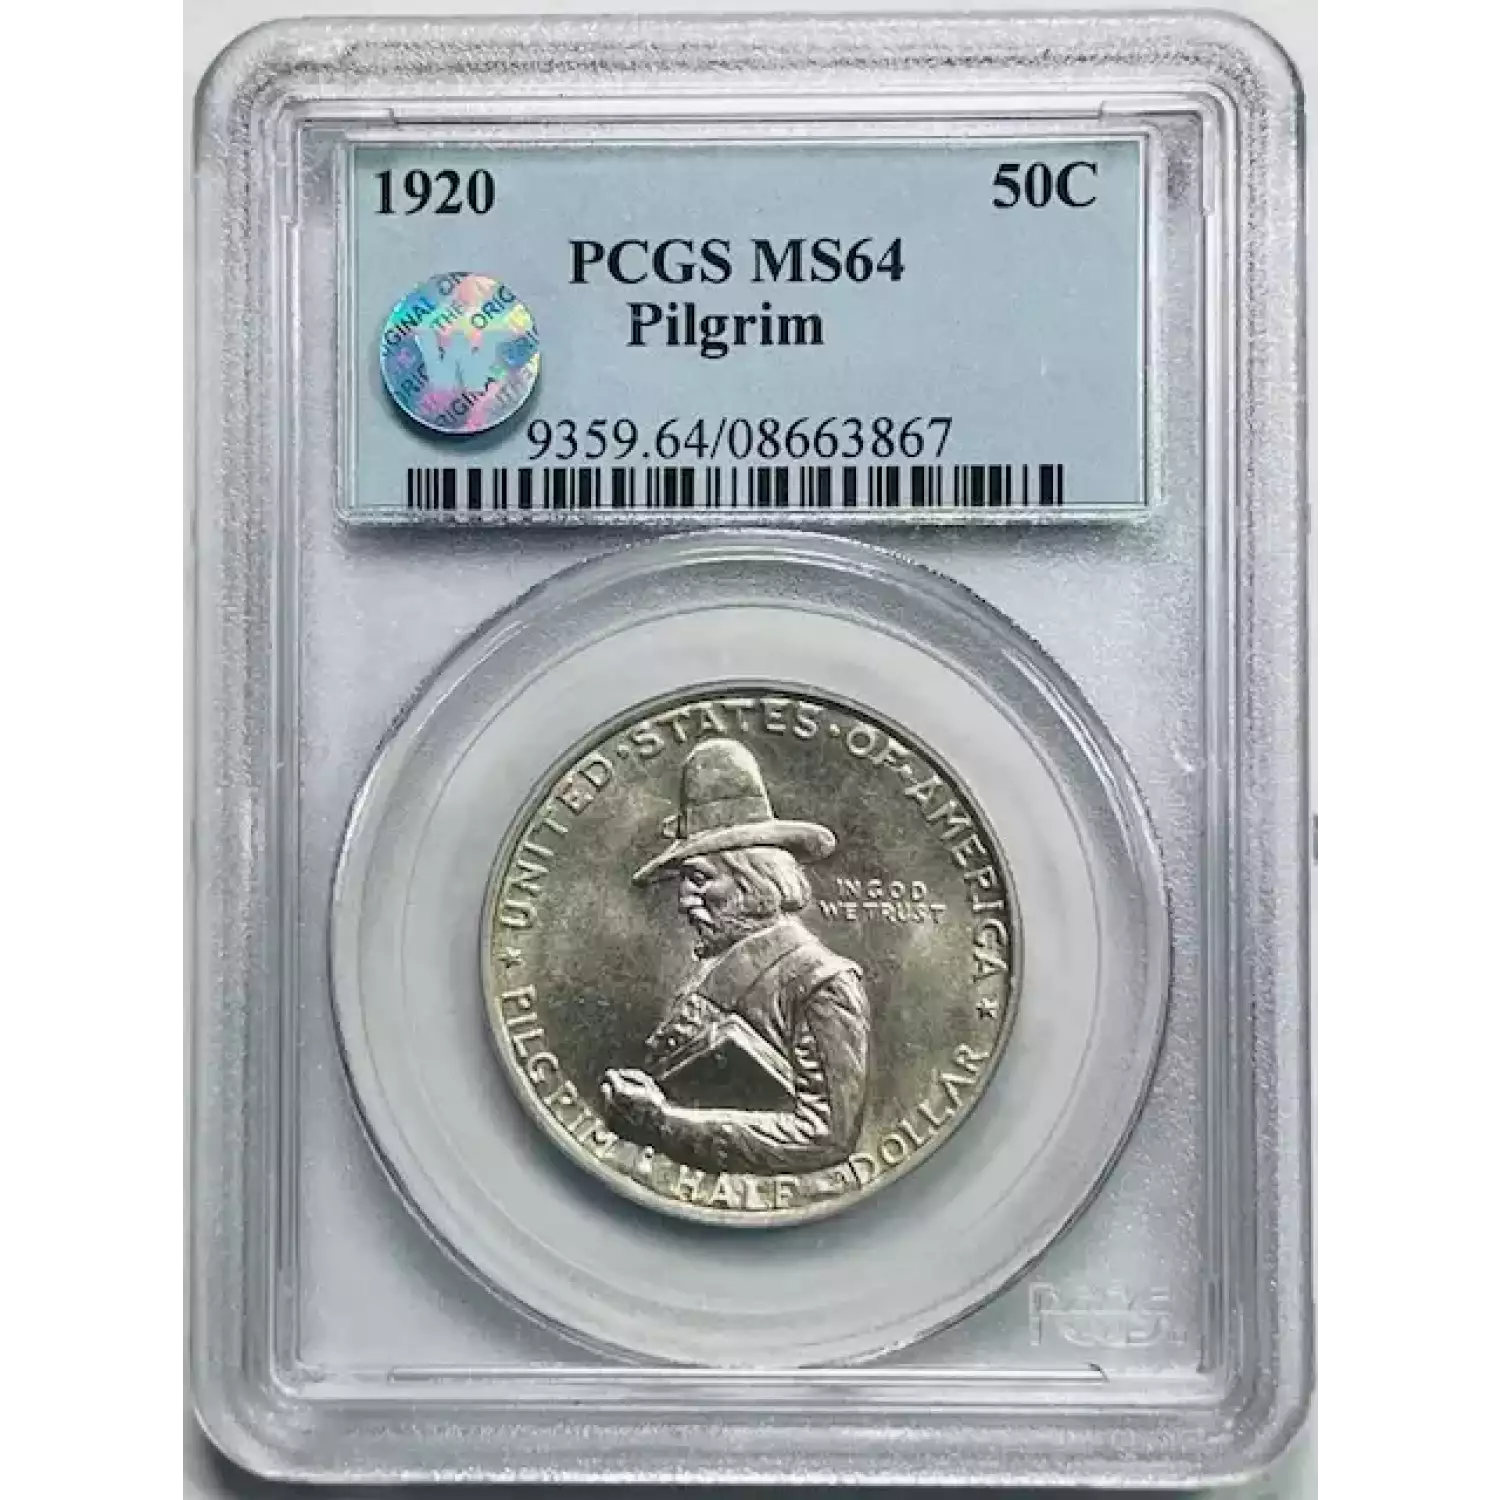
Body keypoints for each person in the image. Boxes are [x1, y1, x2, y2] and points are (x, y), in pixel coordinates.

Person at [602, 738, 872, 1175]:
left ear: (755, 881)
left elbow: (828, 1137)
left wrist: (663, 1122)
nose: (684, 902)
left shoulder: (823, 983)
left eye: (699, 879)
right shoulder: (715, 973)